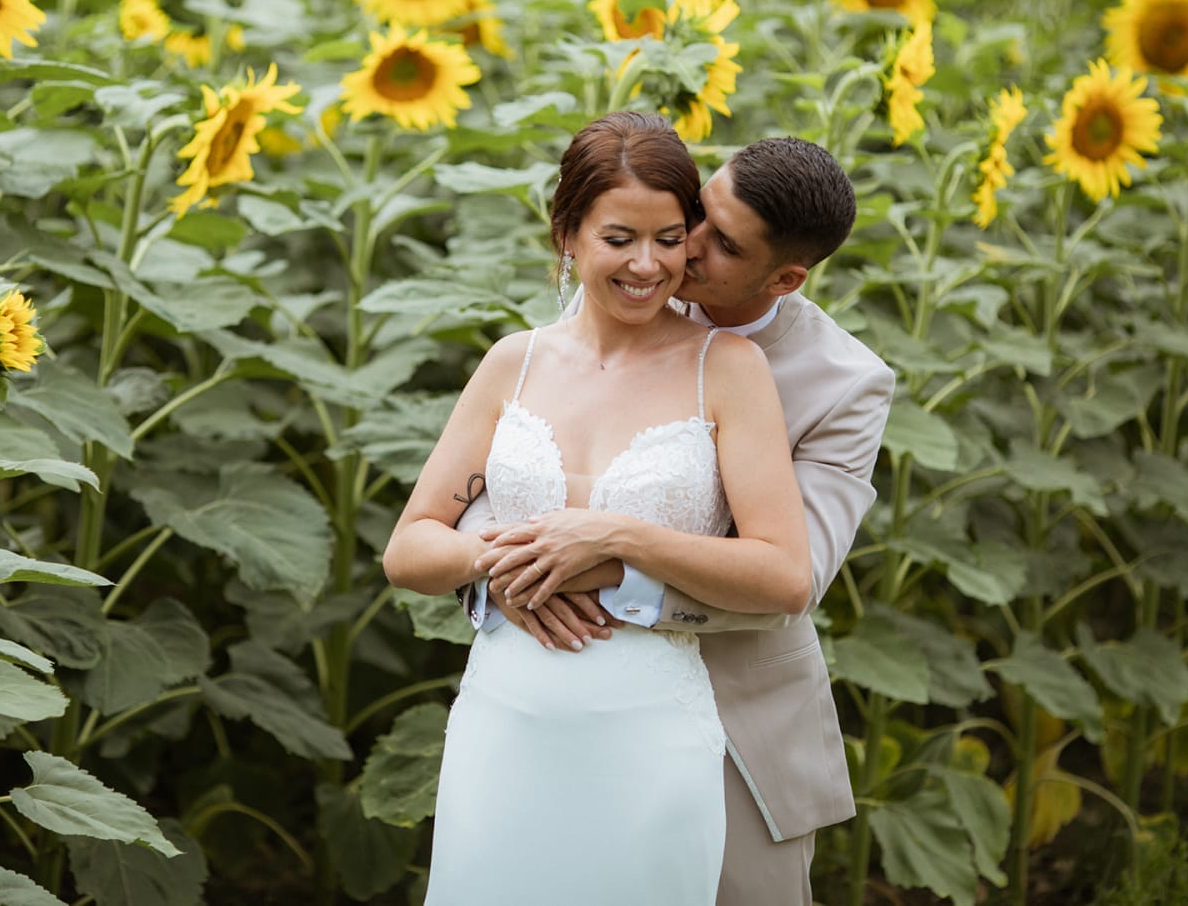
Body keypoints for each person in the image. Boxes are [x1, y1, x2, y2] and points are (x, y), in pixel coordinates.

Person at [382, 111, 814, 904]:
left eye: (669, 237)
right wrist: (508, 560)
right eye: (619, 238)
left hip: (650, 737)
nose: (648, 264)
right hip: (502, 725)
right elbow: (408, 548)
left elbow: (785, 574)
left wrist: (620, 536)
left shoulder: (728, 368)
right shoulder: (513, 363)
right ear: (568, 235)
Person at [463, 134, 897, 906]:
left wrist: (607, 564)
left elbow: (794, 582)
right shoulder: (638, 277)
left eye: (721, 243)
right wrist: (502, 574)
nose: (681, 248)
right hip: (555, 707)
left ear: (787, 276)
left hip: (737, 729)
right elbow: (519, 460)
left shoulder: (845, 386)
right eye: (699, 213)